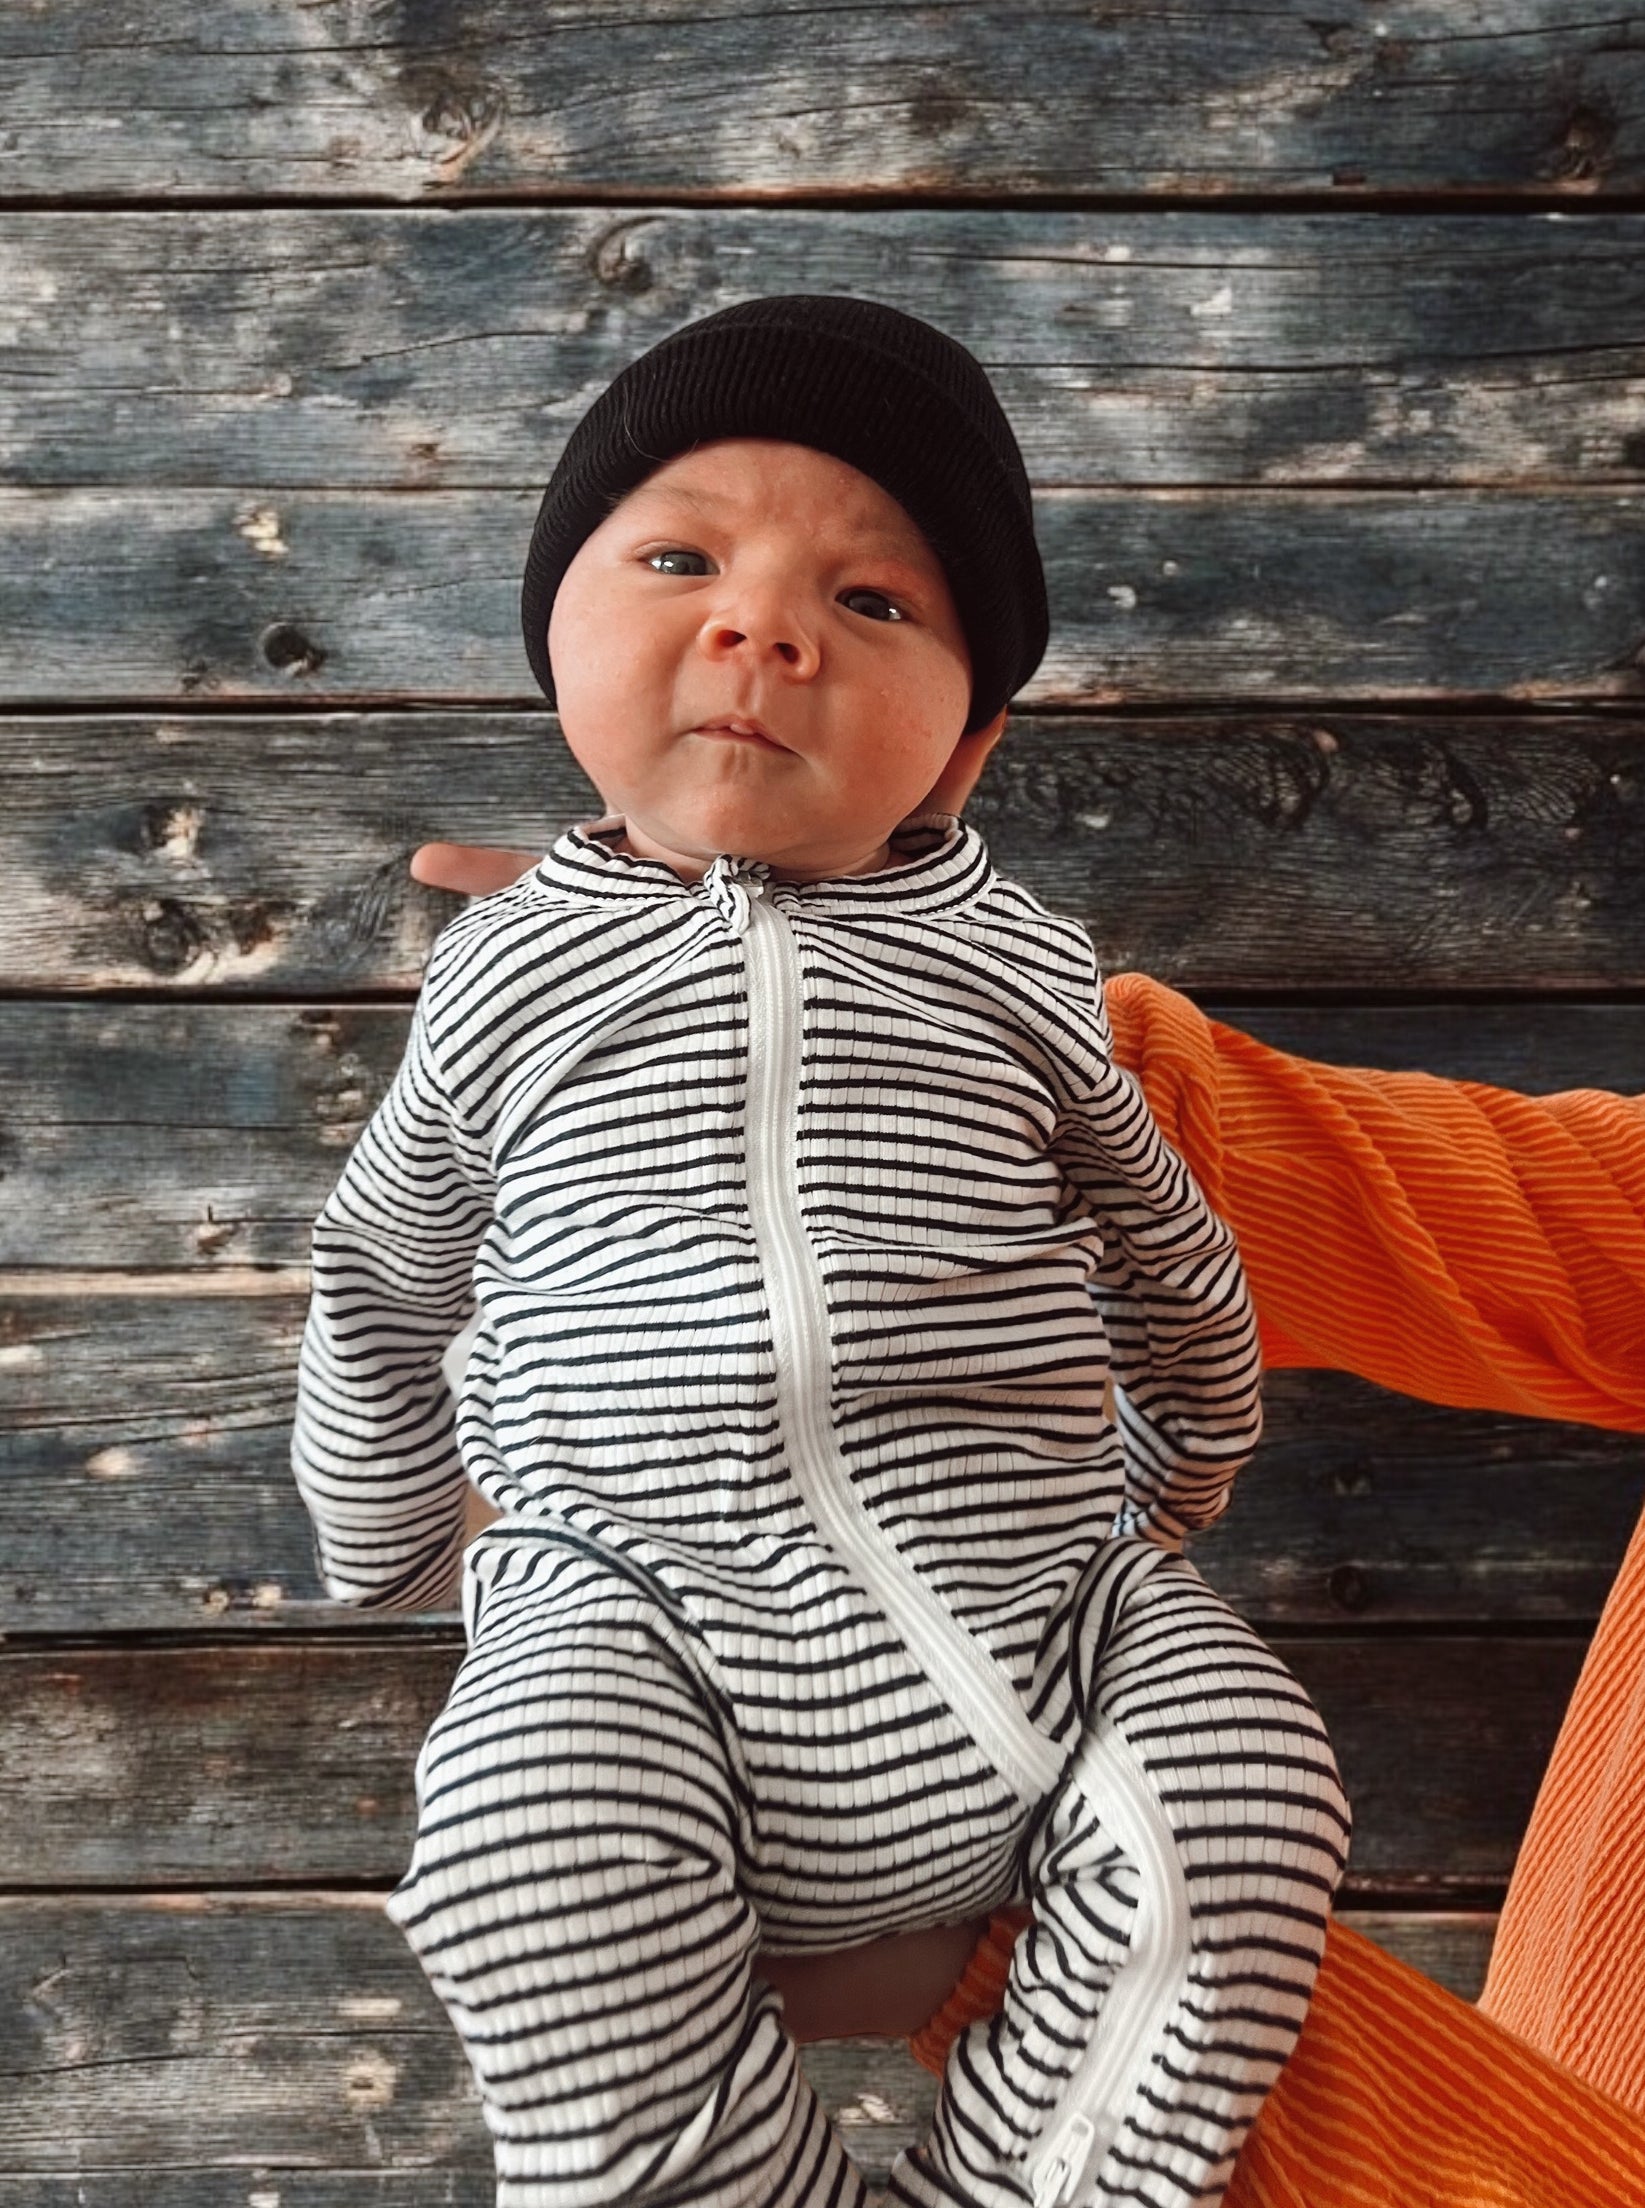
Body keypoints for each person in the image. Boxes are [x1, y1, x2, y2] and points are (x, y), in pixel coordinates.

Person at [289, 295, 1351, 2208]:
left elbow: (1158, 1236)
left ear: (968, 745)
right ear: (553, 640)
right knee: (513, 1847)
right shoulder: (511, 977)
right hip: (636, 1610)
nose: (760, 626)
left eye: (872, 606)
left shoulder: (1022, 967)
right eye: (680, 556)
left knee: (1255, 1794)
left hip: (1048, 1605)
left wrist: (1178, 1472)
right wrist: (377, 1520)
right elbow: (384, 1262)